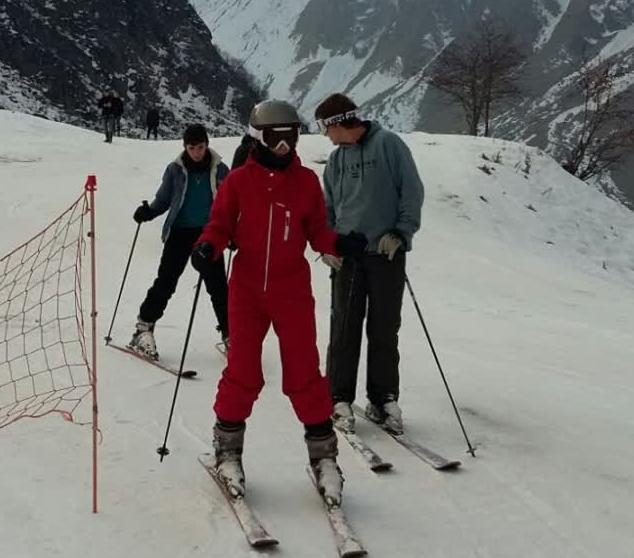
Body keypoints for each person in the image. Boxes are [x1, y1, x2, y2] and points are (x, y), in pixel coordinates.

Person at [191, 99, 367, 504]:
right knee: (243, 371)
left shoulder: (305, 182)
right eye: (275, 138)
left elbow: (317, 231)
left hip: (291, 290)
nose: (284, 146)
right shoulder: (238, 182)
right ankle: (228, 448)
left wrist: (339, 243)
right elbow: (219, 224)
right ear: (258, 138)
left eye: (290, 136)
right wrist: (207, 246)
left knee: (304, 372)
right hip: (247, 289)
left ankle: (323, 456)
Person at [314, 92, 424, 435]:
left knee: (384, 328)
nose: (324, 135)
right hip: (348, 257)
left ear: (338, 122)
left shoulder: (388, 145)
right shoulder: (336, 160)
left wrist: (401, 232)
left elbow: (411, 191)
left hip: (386, 254)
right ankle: (338, 398)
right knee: (343, 329)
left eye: (325, 127)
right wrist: (329, 244)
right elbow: (327, 207)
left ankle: (383, 398)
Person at [129, 124, 230, 358]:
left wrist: (231, 233)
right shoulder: (175, 170)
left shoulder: (221, 169)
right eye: (191, 148)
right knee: (166, 281)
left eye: (200, 147)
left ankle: (230, 333)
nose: (196, 152)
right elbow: (164, 200)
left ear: (207, 145)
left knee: (218, 287)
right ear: (185, 147)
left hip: (210, 235)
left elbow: (229, 204)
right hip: (179, 233)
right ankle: (144, 328)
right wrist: (149, 212)